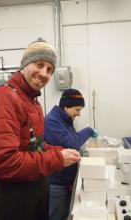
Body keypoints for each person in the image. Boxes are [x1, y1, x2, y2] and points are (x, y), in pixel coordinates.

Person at [0, 38, 81, 220]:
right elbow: (2, 163)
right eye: (39, 64)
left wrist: (60, 151)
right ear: (25, 65)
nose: (44, 74)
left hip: (29, 201)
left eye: (49, 70)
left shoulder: (33, 102)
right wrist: (57, 159)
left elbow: (35, 146)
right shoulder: (2, 99)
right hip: (8, 206)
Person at [44, 88, 98, 220]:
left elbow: (68, 144)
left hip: (65, 180)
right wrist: (89, 130)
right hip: (56, 183)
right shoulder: (52, 121)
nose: (79, 114)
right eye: (77, 110)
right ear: (66, 106)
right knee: (56, 215)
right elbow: (71, 142)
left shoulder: (65, 120)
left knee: (63, 214)